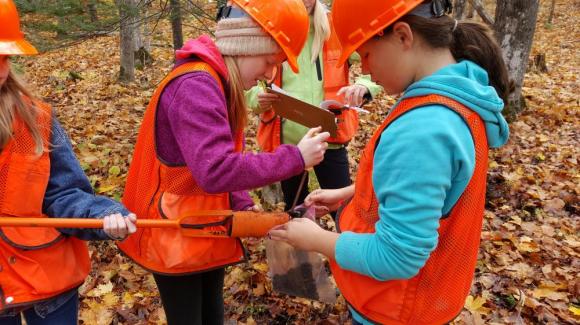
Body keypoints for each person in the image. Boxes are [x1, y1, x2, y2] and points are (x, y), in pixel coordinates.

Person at [269, 0, 511, 324]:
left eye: (366, 54)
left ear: (402, 36)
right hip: (422, 300)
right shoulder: (453, 101)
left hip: (396, 308)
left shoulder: (424, 129)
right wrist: (352, 193)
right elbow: (432, 193)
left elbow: (397, 257)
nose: (365, 70)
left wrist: (317, 240)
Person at [117, 1, 329, 324]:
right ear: (246, 43)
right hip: (172, 232)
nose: (270, 74)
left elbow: (225, 156)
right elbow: (215, 170)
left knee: (212, 314)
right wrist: (295, 157)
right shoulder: (196, 86)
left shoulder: (220, 84)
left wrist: (243, 205)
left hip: (203, 228)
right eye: (270, 61)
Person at [0, 0, 136, 323]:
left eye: (4, 57)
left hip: (46, 283)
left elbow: (64, 195)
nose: (0, 68)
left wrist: (105, 215)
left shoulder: (36, 120)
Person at [245, 0, 382, 213]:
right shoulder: (270, 26)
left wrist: (364, 86)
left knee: (343, 207)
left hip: (330, 136)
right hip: (287, 140)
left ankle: (342, 244)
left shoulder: (335, 26)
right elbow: (244, 74)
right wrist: (257, 97)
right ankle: (301, 244)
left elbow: (375, 51)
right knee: (295, 207)